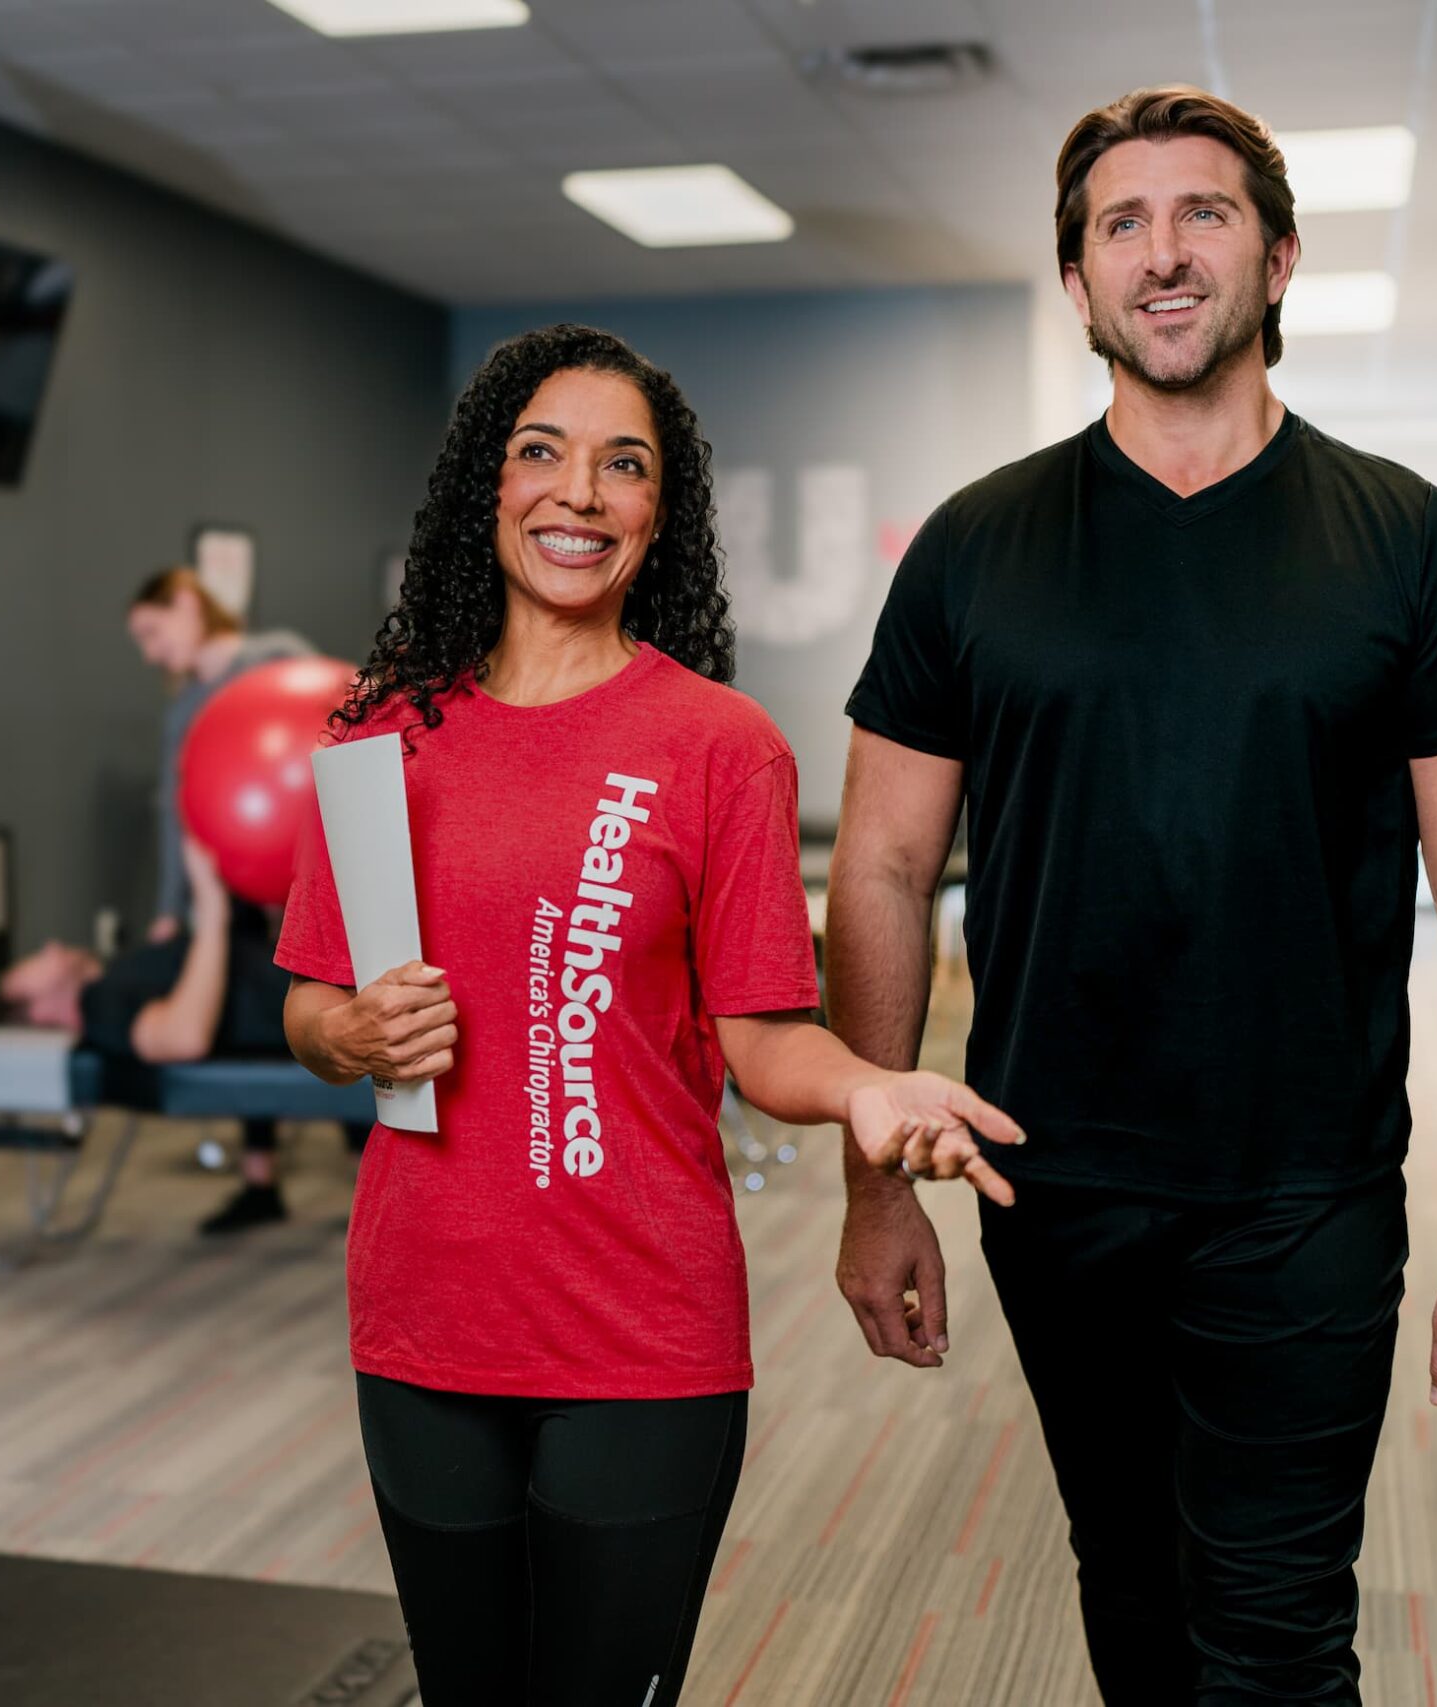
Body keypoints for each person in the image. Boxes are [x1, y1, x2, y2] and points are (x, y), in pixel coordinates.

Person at [830, 86, 1437, 1705]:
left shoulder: (1415, 549)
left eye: (1204, 214)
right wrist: (875, 1185)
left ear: (1279, 258)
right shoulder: (973, 548)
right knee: (1130, 1585)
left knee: (1279, 1630)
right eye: (1121, 225)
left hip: (1302, 1187)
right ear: (1081, 283)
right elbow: (881, 864)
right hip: (1048, 1180)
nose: (1164, 254)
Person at [273, 324, 1016, 1707]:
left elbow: (761, 1036)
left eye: (625, 466)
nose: (579, 492)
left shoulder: (718, 748)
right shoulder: (380, 735)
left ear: (657, 516)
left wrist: (866, 1085)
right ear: (482, 488)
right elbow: (313, 1005)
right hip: (424, 1312)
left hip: (639, 1324)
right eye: (540, 452)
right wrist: (351, 1035)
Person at [126, 567, 318, 1232]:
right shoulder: (184, 708)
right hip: (229, 888)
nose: (151, 652)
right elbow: (174, 813)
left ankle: (378, 1165)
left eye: (152, 631)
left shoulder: (278, 657)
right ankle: (259, 1180)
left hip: (309, 874)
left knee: (339, 1006)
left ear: (185, 603)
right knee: (248, 1022)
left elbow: (340, 724)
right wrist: (166, 909)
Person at [0, 837, 287, 1066]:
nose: (53, 947)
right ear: (39, 1012)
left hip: (304, 976)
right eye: (37, 960)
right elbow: (185, 1038)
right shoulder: (99, 1006)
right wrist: (211, 909)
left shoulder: (120, 972)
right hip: (307, 1004)